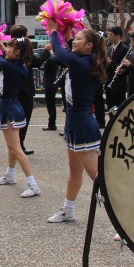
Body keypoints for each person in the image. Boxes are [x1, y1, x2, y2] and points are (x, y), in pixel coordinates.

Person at [45, 29, 107, 223]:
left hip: (82, 126)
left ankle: (124, 221)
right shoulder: (84, 61)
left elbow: (57, 49)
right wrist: (68, 31)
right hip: (74, 124)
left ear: (89, 45)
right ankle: (68, 210)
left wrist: (54, 29)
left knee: (98, 177)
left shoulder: (80, 64)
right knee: (74, 171)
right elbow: (68, 47)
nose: (73, 41)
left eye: (78, 39)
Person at [0, 37, 41, 198]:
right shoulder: (20, 65)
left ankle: (33, 184)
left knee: (16, 149)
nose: (5, 50)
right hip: (12, 106)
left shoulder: (10, 66)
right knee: (12, 146)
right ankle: (10, 175)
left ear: (17, 52)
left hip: (9, 108)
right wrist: (0, 45)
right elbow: (4, 55)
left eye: (9, 48)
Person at [9, 23, 42, 154]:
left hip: (12, 89)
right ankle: (19, 145)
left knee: (13, 120)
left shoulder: (9, 48)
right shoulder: (25, 47)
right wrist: (46, 51)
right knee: (24, 119)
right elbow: (36, 61)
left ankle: (14, 145)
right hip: (25, 89)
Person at [104, 26, 129, 111]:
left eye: (111, 35)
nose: (109, 37)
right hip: (109, 80)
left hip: (119, 83)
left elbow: (124, 66)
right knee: (110, 105)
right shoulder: (110, 48)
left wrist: (110, 62)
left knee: (119, 107)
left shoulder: (124, 48)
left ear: (118, 36)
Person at [41, 52, 65, 131]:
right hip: (53, 82)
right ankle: (52, 123)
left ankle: (52, 124)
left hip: (50, 83)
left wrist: (47, 54)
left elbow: (42, 66)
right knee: (51, 104)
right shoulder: (54, 59)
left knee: (50, 104)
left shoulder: (51, 59)